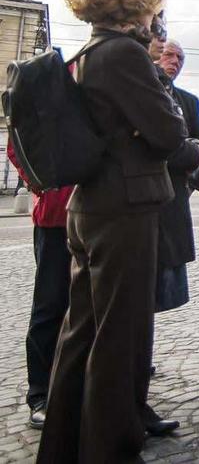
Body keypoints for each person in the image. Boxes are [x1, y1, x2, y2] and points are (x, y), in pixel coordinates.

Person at [38, 0, 196, 464]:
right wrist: (186, 142)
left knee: (81, 332)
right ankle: (111, 447)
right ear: (137, 5)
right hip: (124, 206)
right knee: (119, 339)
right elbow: (169, 133)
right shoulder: (124, 54)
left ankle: (64, 445)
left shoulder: (90, 51)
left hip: (93, 205)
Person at [143, 37, 199, 436]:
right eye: (169, 54)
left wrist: (194, 154)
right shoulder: (139, 83)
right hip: (140, 205)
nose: (175, 62)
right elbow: (172, 145)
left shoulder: (185, 98)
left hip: (169, 203)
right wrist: (188, 152)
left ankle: (138, 368)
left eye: (181, 57)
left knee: (150, 297)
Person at [10, 141, 72, 432]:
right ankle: (41, 395)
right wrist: (40, 184)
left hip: (98, 211)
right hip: (56, 217)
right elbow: (18, 145)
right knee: (50, 307)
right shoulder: (37, 93)